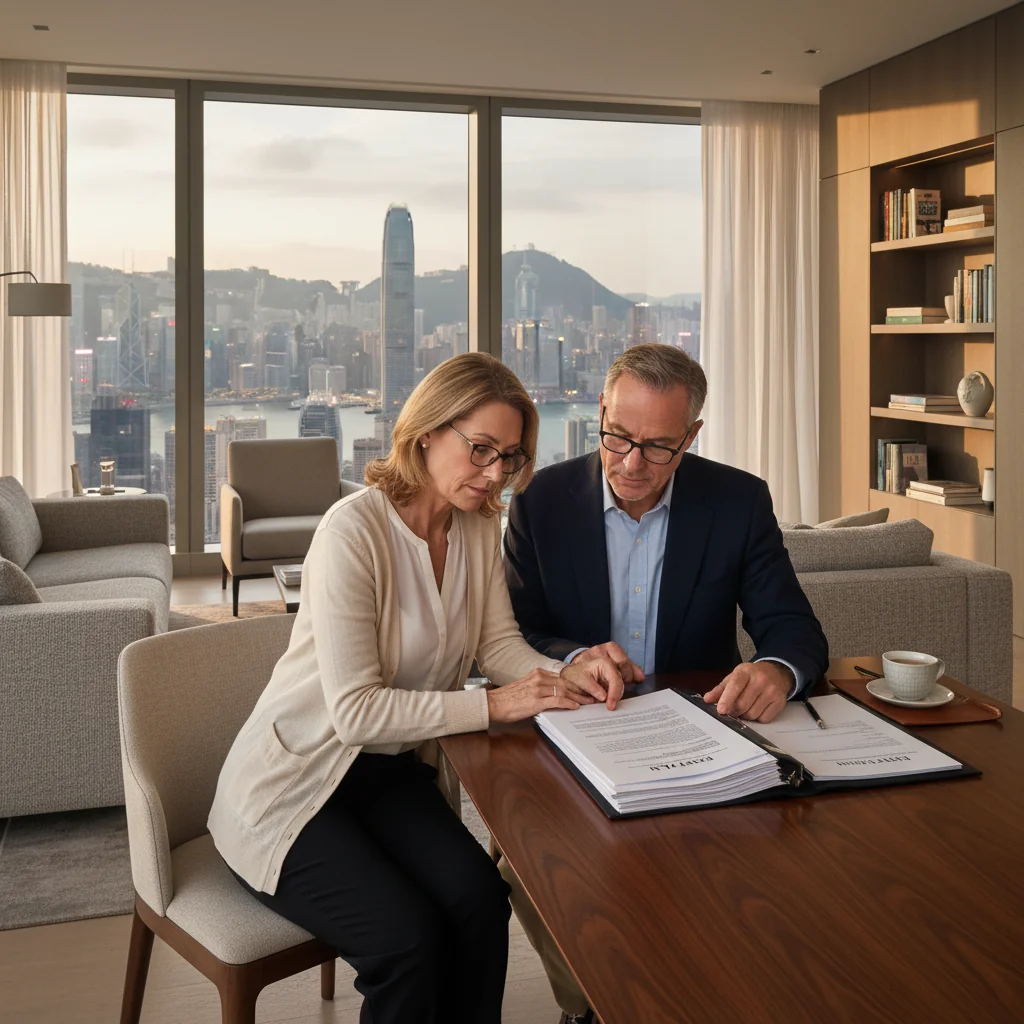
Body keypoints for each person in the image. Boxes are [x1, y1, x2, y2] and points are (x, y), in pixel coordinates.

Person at [207, 352, 624, 1024]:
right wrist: (495, 704)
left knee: (481, 903)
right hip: (296, 786)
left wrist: (562, 673)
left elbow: (496, 646)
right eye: (480, 449)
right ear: (427, 432)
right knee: (406, 943)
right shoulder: (353, 531)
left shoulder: (480, 524)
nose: (494, 474)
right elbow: (354, 714)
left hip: (390, 775)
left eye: (509, 457)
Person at [503, 343, 829, 1024]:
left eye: (658, 448)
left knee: (740, 877)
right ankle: (591, 1003)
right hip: (576, 727)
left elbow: (795, 630)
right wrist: (576, 656)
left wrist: (775, 668)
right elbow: (513, 630)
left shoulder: (738, 501)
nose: (630, 464)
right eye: (617, 437)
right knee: (529, 869)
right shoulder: (540, 500)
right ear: (599, 411)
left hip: (699, 733)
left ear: (692, 437)